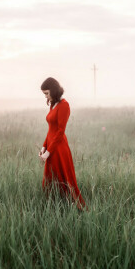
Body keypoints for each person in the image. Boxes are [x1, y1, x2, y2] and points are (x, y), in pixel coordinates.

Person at [38, 77, 88, 211]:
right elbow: (51, 129)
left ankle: (72, 208)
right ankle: (52, 208)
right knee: (49, 181)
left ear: (54, 91)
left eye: (47, 93)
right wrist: (44, 147)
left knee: (63, 179)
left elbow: (60, 132)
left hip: (59, 149)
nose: (46, 97)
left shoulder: (64, 105)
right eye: (44, 94)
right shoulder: (52, 104)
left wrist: (48, 152)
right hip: (51, 147)